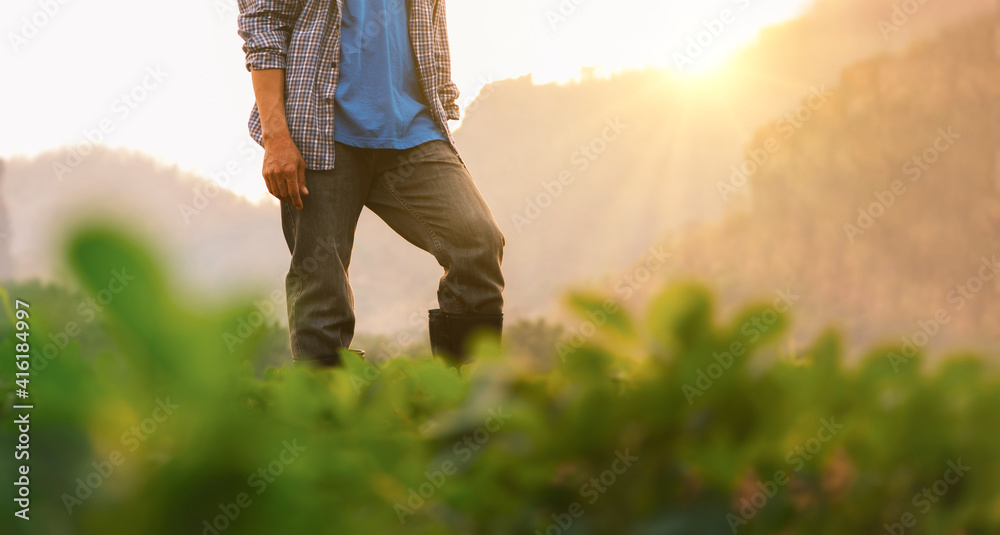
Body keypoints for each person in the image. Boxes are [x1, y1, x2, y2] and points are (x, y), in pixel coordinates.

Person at [237, 0, 505, 367]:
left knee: (476, 239)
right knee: (321, 288)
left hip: (416, 131)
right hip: (320, 129)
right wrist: (276, 138)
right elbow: (263, 22)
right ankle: (332, 418)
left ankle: (466, 408)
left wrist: (442, 101)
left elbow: (432, 17)